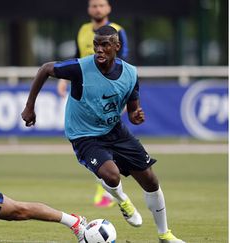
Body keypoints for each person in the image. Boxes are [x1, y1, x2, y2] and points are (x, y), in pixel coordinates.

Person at [21, 26, 185, 243]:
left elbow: (133, 106)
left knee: (151, 180)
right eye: (96, 44)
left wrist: (136, 114)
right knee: (111, 174)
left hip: (115, 130)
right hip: (84, 135)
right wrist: (30, 106)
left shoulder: (130, 73)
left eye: (105, 44)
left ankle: (164, 235)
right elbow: (45, 69)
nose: (99, 49)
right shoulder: (80, 68)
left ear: (116, 47)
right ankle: (122, 199)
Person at [58, 0, 129, 208]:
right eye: (94, 5)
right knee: (89, 138)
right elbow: (77, 58)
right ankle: (106, 183)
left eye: (101, 5)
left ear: (108, 9)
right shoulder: (82, 31)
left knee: (108, 137)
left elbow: (124, 63)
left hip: (107, 94)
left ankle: (107, 188)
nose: (97, 9)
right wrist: (64, 79)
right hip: (84, 94)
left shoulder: (118, 31)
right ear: (89, 9)